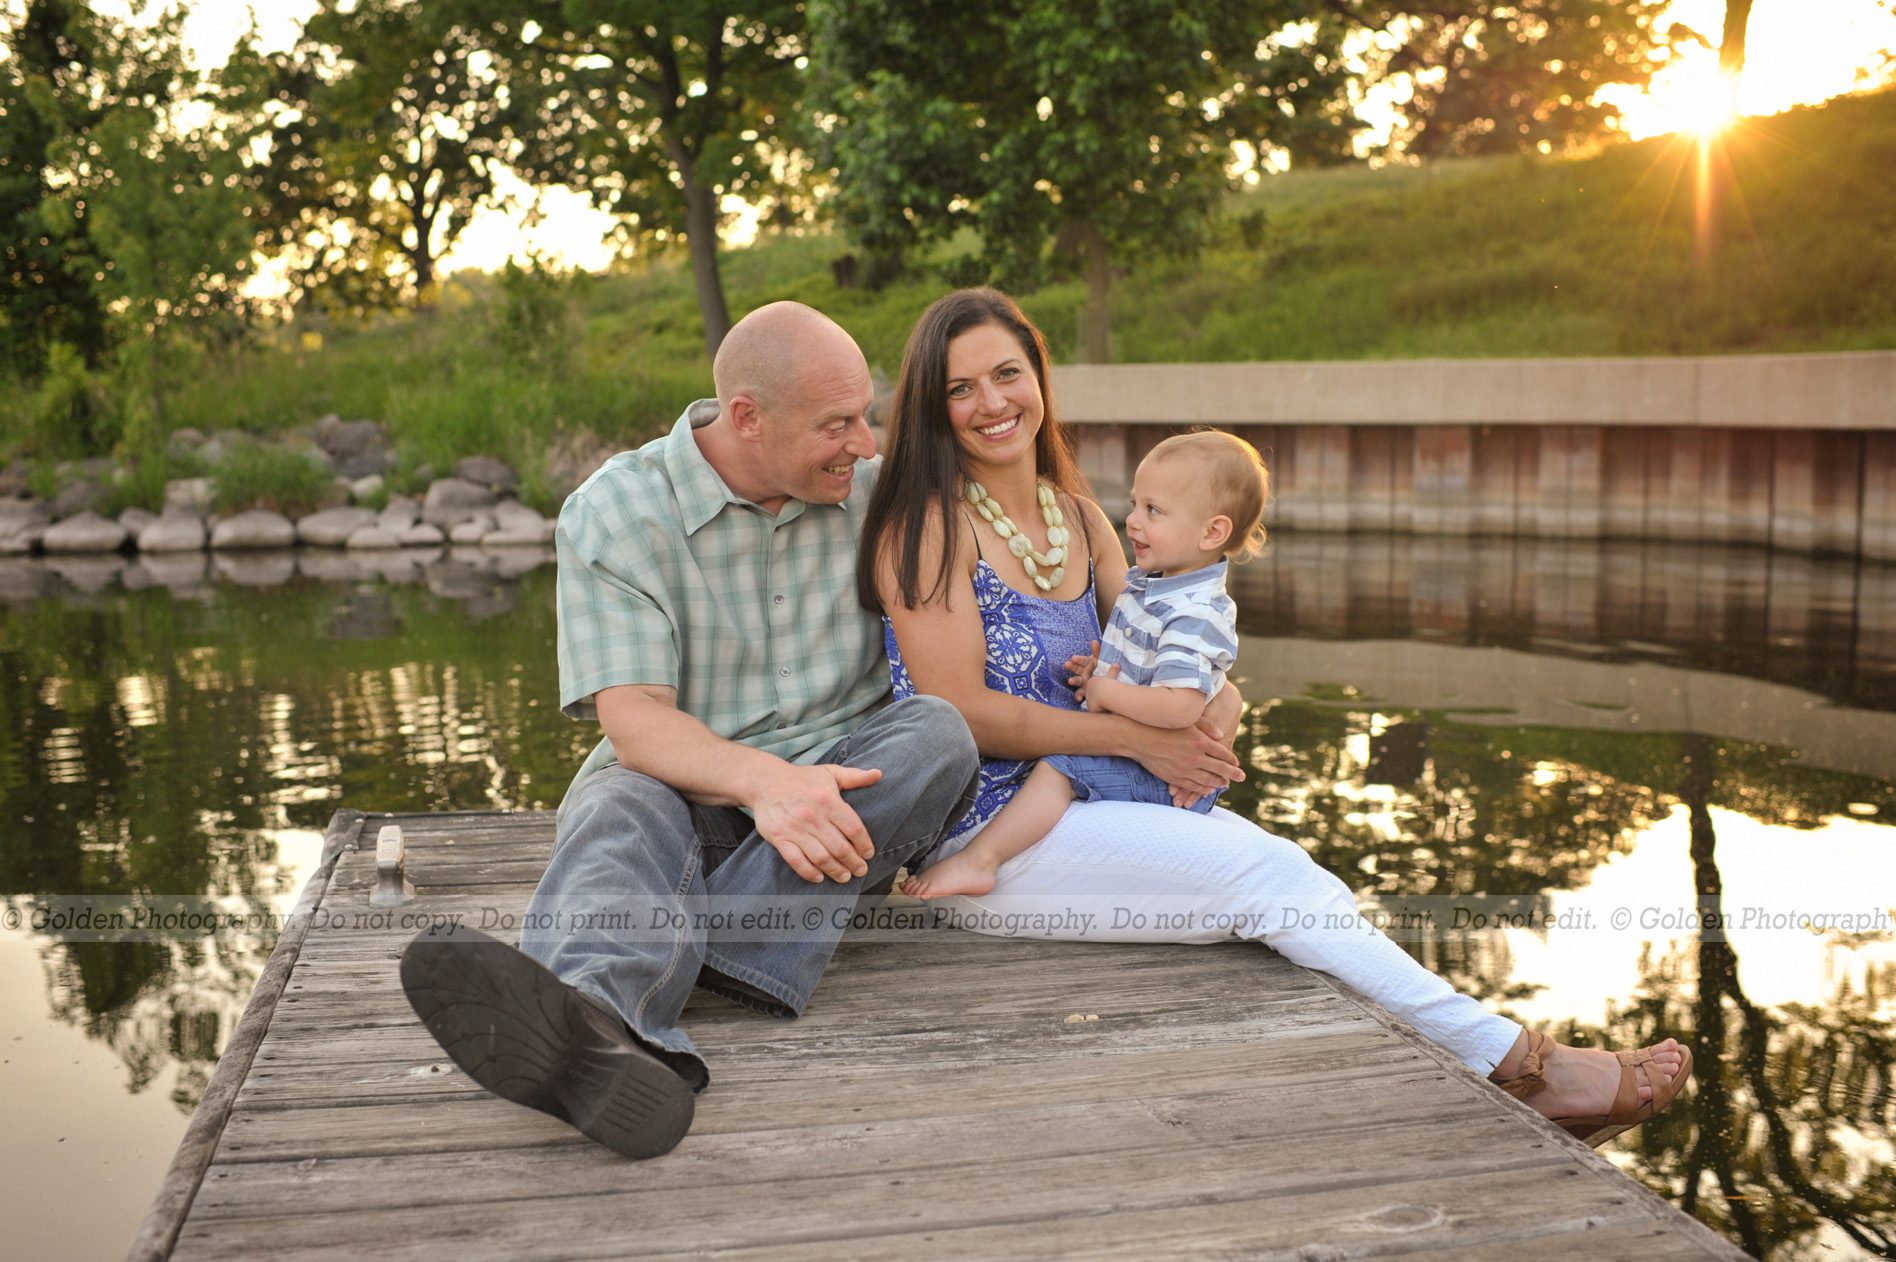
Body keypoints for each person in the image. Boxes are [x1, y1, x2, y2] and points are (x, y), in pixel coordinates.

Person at [862, 287, 1691, 1146]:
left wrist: (1220, 705)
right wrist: (1139, 737)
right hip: (986, 839)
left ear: (1039, 377)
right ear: (935, 405)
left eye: (1008, 373)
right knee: (1273, 878)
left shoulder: (1078, 519)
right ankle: (1528, 1067)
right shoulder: (927, 526)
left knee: (1288, 887)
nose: (993, 402)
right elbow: (957, 713)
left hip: (1090, 802)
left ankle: (1503, 1067)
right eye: (962, 388)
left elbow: (1166, 653)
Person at [399, 301, 980, 1160]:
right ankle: (596, 1029)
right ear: (747, 417)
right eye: (837, 424)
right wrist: (765, 784)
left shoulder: (877, 491)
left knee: (937, 735)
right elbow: (634, 719)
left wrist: (1162, 681)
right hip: (687, 788)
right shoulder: (618, 511)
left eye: (866, 415)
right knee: (620, 802)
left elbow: (1021, 555)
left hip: (841, 798)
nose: (865, 443)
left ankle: (693, 945)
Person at [900, 429, 1267, 900]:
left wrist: (1111, 691)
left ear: (1212, 532)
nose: (1132, 521)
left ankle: (980, 860)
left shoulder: (1185, 601)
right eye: (1135, 504)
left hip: (1139, 776)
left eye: (1152, 510)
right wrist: (1108, 665)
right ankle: (977, 857)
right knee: (1262, 876)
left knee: (1268, 870)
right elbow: (1152, 662)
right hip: (1019, 797)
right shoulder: (1154, 585)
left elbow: (1179, 703)